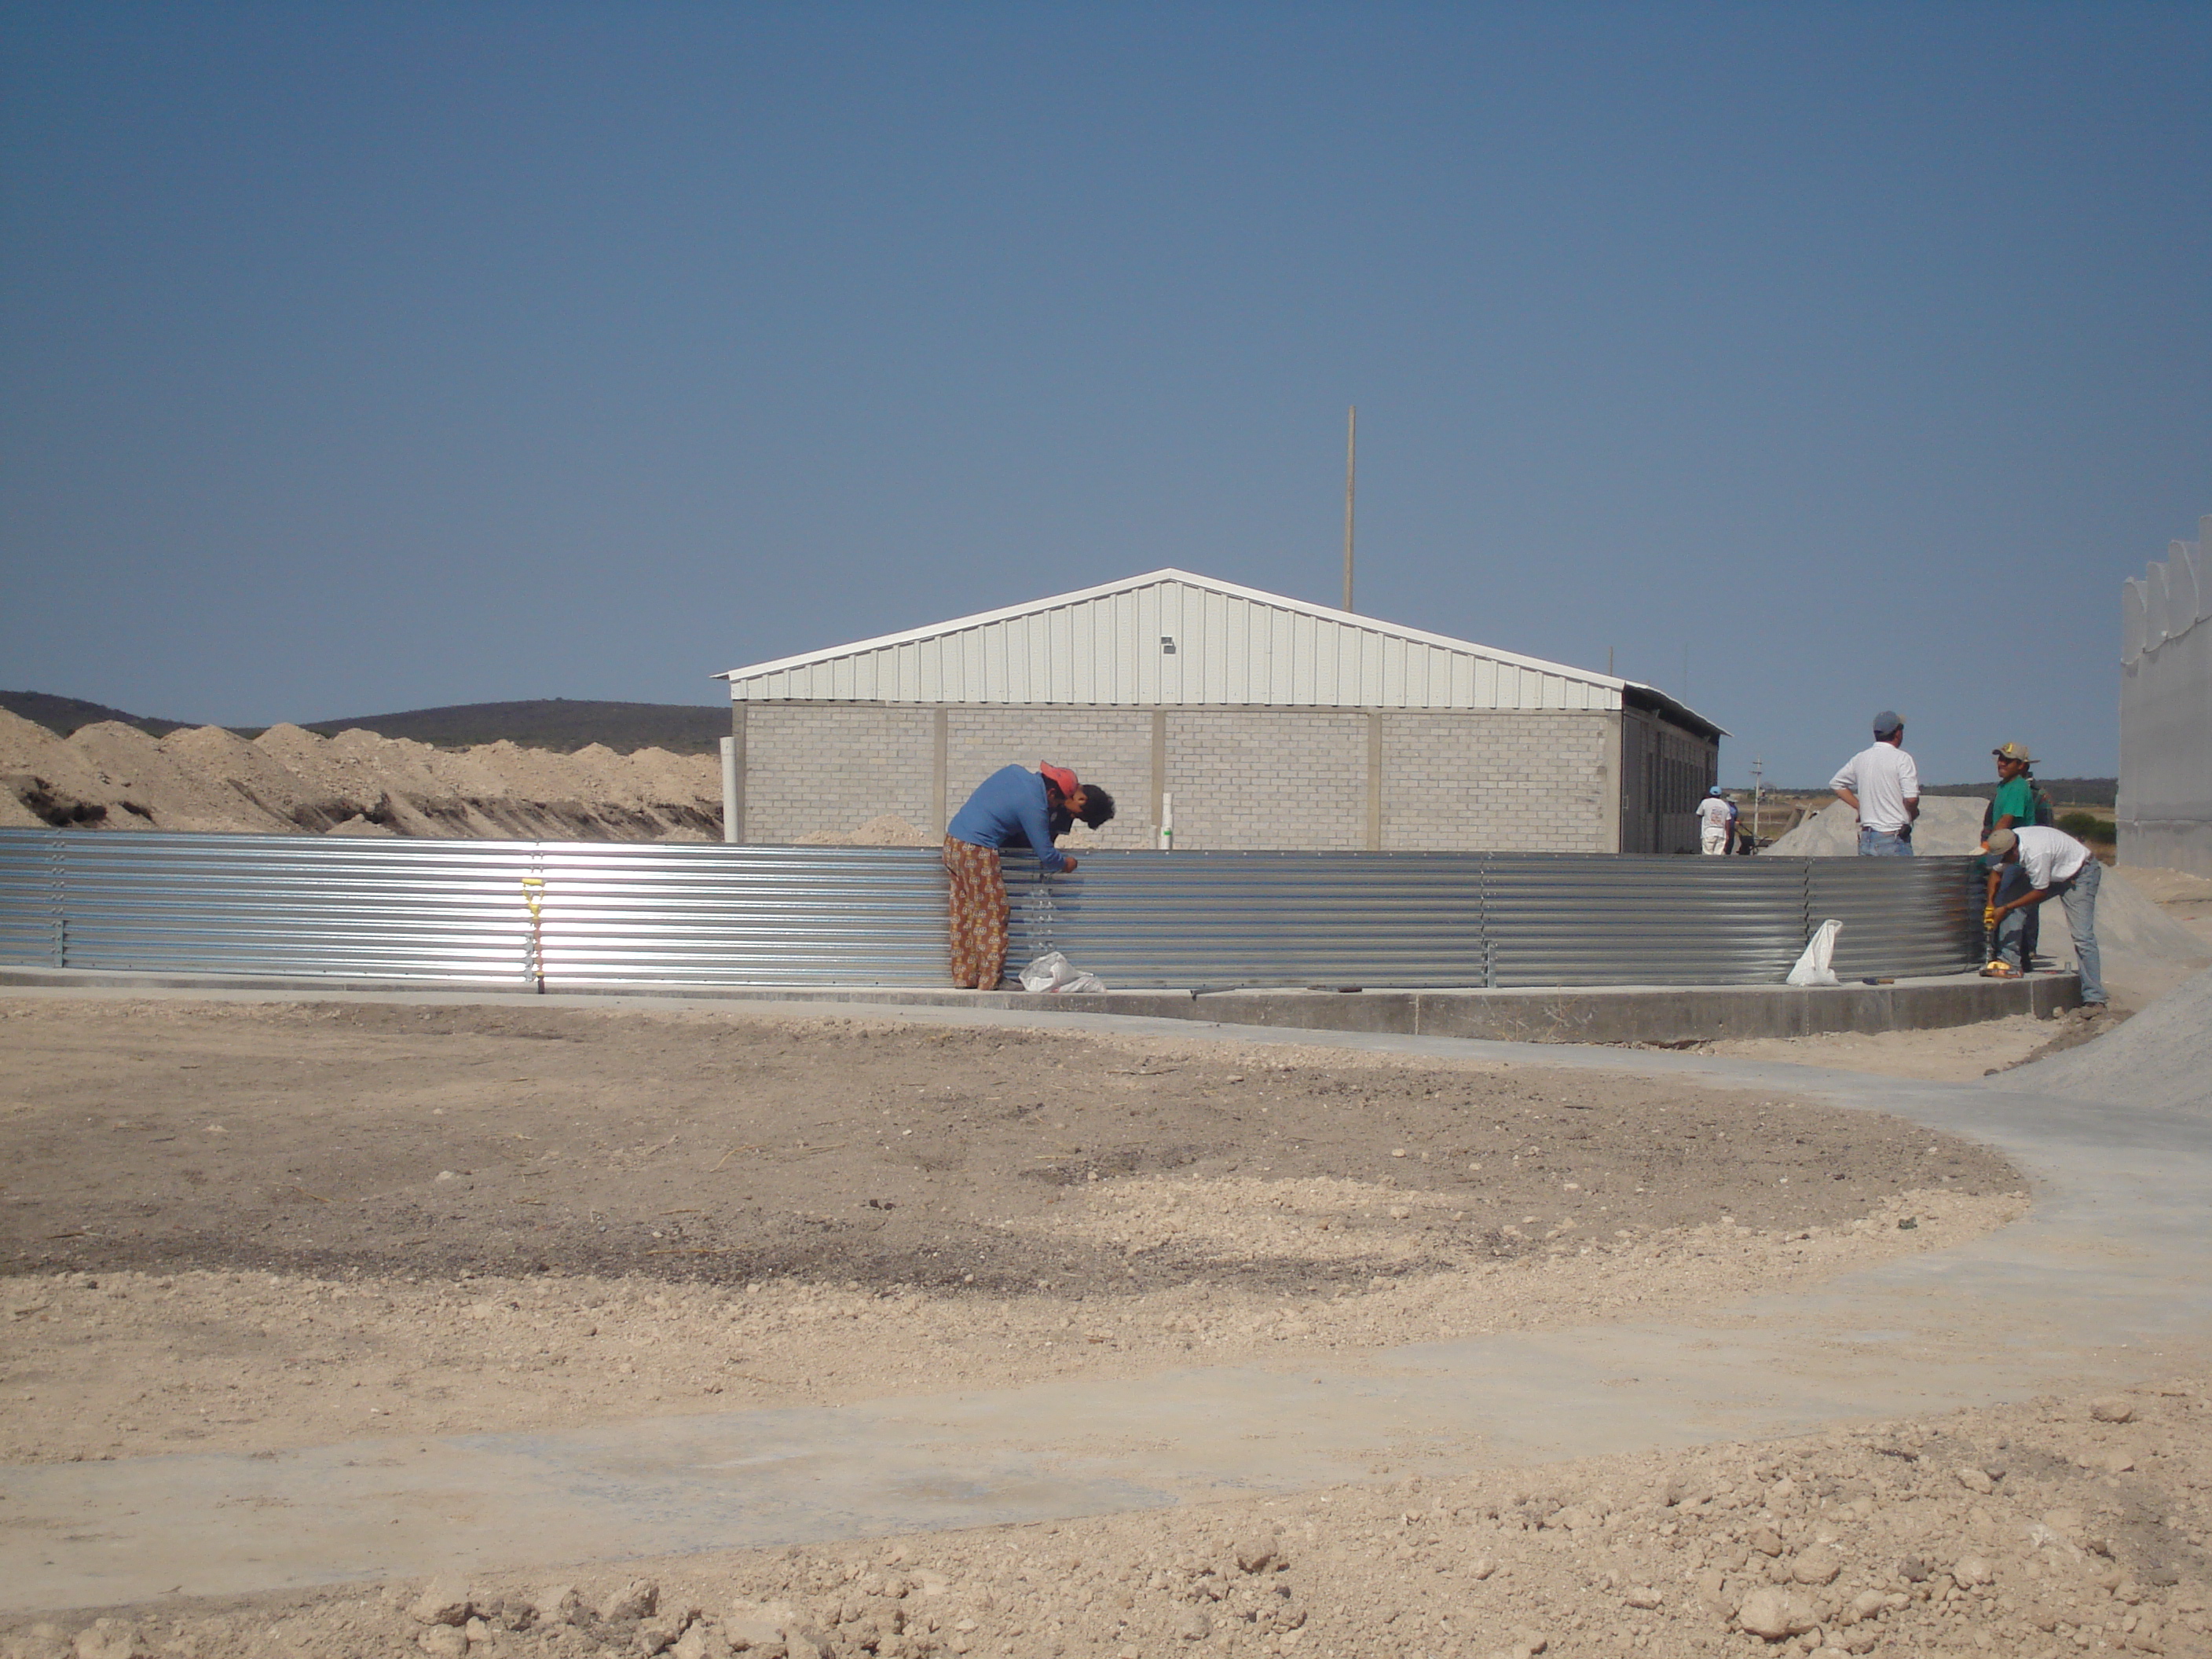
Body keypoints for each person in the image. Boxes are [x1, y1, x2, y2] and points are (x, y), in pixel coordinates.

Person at [943, 763, 1116, 990]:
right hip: (977, 849)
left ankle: (966, 977)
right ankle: (992, 980)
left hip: (953, 842)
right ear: (1052, 792)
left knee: (964, 912)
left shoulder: (1014, 772)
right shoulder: (1035, 805)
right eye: (1059, 802)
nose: (1059, 808)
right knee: (994, 913)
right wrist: (1066, 863)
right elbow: (1046, 855)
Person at [1979, 824, 2106, 1011]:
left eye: (2006, 858)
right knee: (2010, 899)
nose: (2004, 861)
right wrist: (1991, 905)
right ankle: (2009, 963)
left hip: (2080, 874)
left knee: (2082, 936)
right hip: (2054, 871)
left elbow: (2040, 892)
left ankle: (2095, 998)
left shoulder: (2036, 854)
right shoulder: (2005, 843)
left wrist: (2005, 908)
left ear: (2014, 849)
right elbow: (1996, 874)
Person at [1981, 742, 2051, 967]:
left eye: (2007, 760)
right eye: (2000, 759)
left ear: (2021, 766)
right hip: (2005, 851)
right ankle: (2014, 956)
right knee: (2001, 902)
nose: (2001, 763)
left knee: (2008, 905)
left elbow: (2006, 821)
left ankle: (2010, 959)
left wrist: (1987, 849)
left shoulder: (2018, 788)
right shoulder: (2004, 786)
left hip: (2014, 854)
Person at [1829, 711, 1920, 855]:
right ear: (1898, 733)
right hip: (1893, 838)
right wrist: (1913, 812)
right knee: (1901, 878)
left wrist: (1860, 807)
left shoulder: (1861, 758)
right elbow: (1911, 798)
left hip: (1867, 838)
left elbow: (1837, 784)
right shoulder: (1902, 759)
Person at [1695, 786, 1733, 855]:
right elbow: (1728, 821)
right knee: (1719, 855)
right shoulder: (1725, 805)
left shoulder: (1705, 802)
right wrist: (1727, 834)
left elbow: (1699, 814)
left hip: (1709, 832)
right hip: (1721, 833)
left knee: (1708, 854)